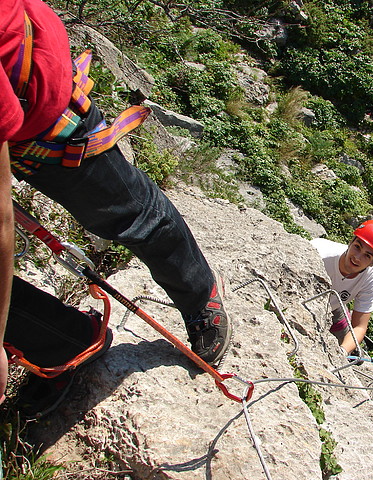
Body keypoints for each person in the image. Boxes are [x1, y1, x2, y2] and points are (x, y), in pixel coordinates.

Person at [0, 0, 232, 417]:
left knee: (129, 214)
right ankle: (60, 340)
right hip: (23, 104)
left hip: (46, 113)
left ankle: (198, 294)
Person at [310, 220, 373, 354]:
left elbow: (359, 326)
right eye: (357, 247)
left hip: (334, 308)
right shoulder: (319, 253)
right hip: (309, 300)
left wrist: (342, 352)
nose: (357, 257)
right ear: (350, 242)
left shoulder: (370, 277)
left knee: (346, 343)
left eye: (367, 255)